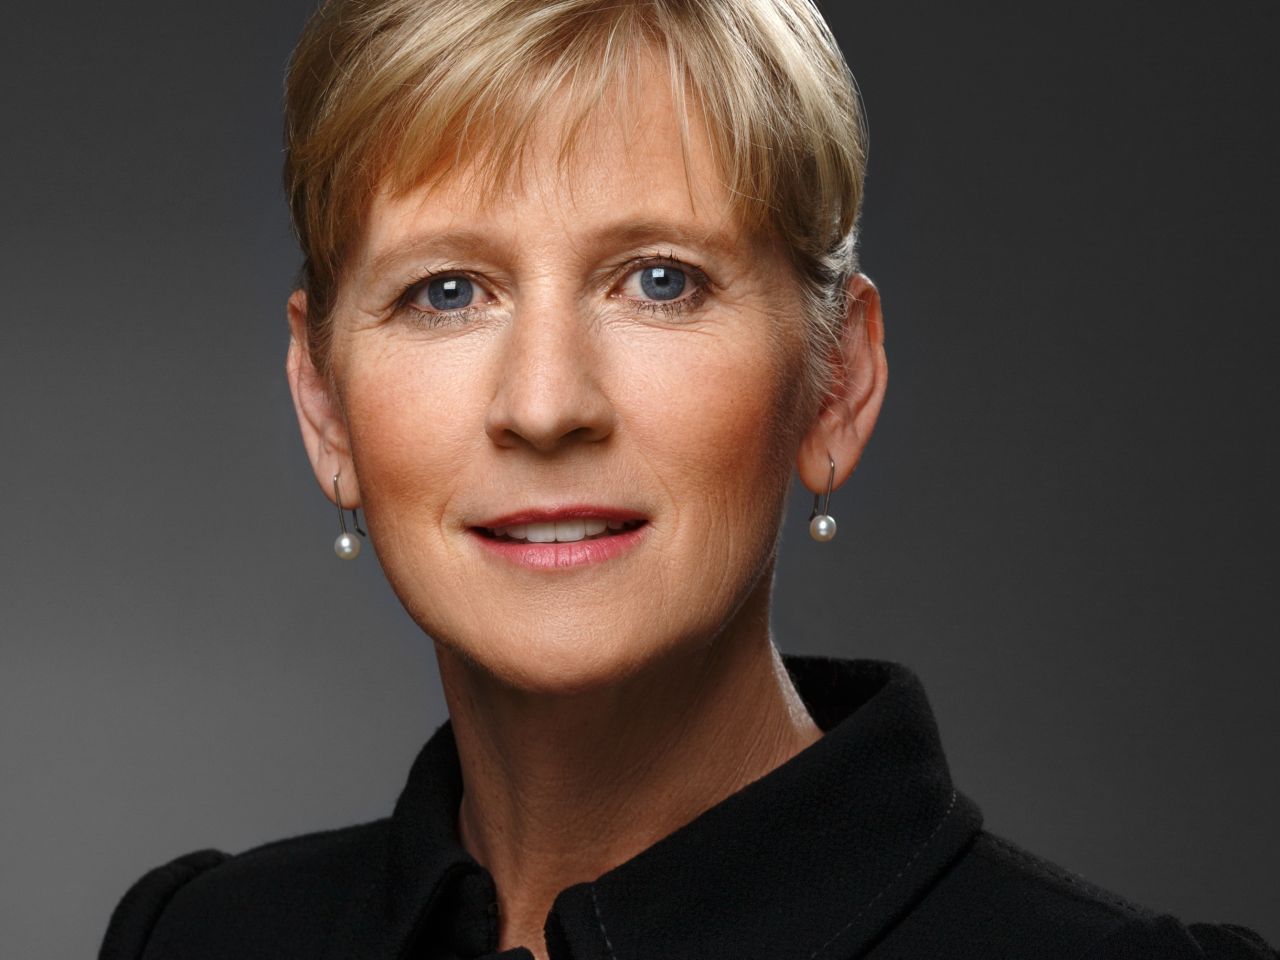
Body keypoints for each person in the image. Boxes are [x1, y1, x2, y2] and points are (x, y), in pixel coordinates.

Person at [98, 1, 1276, 958]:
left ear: (835, 382)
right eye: (445, 292)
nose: (545, 404)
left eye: (658, 281)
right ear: (324, 406)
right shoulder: (198, 939)